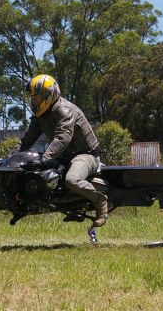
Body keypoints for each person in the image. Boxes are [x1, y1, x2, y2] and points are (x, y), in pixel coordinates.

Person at [20, 74, 108, 227]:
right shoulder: (40, 115)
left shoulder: (64, 110)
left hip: (86, 154)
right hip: (64, 156)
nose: (33, 101)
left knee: (72, 180)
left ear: (48, 95)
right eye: (32, 98)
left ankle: (100, 201)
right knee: (43, 177)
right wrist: (15, 159)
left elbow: (63, 137)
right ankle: (72, 207)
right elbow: (28, 139)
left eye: (36, 97)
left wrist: (45, 158)